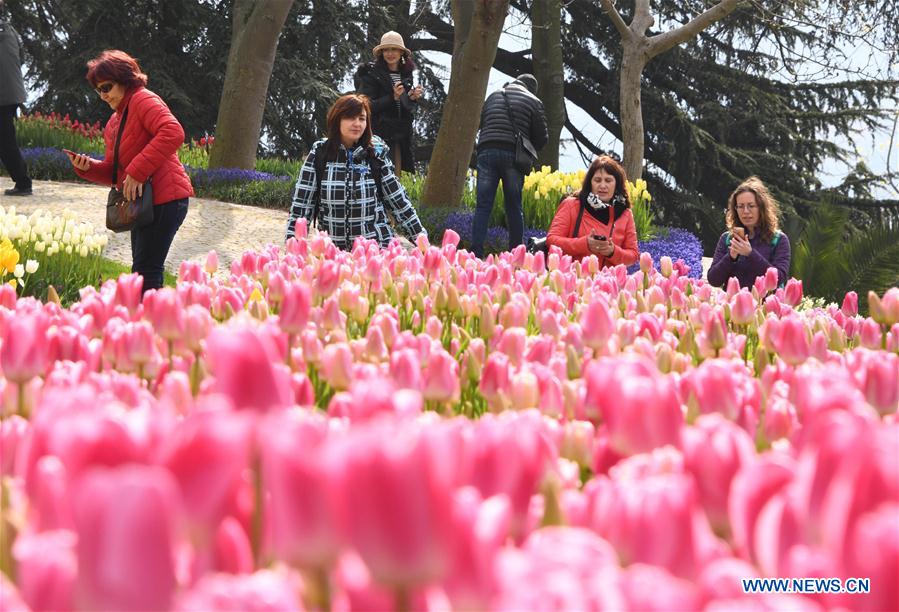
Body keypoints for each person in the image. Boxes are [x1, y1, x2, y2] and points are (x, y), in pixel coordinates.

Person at [65, 50, 193, 293]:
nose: (103, 95)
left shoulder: (143, 99)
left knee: (146, 272)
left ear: (124, 79)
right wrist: (87, 168)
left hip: (166, 198)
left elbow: (173, 132)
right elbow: (116, 173)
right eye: (98, 90)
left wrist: (137, 171)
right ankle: (154, 324)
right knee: (143, 270)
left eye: (106, 87)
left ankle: (152, 327)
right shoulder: (115, 120)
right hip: (144, 202)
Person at [285, 93, 427, 251]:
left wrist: (424, 245)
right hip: (334, 255)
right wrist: (293, 249)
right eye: (350, 117)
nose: (357, 124)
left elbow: (399, 203)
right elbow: (301, 207)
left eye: (362, 118)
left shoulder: (375, 155)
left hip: (376, 252)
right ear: (337, 119)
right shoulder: (320, 154)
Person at [471, 74, 548, 258]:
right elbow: (542, 138)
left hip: (486, 150)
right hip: (513, 155)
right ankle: (516, 255)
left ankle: (475, 254)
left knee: (483, 206)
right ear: (531, 88)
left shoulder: (494, 96)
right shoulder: (533, 101)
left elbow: (482, 123)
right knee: (514, 205)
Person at [546, 155, 639, 266]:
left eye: (608, 180)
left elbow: (633, 255)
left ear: (616, 184)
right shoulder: (571, 205)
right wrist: (584, 244)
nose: (602, 185)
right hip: (572, 278)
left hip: (608, 281)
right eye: (597, 180)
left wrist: (613, 252)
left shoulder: (625, 213)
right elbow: (551, 240)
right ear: (590, 183)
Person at [355, 31, 422, 174]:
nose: (390, 53)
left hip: (398, 135)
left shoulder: (406, 75)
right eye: (386, 49)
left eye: (394, 49)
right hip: (375, 135)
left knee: (394, 177)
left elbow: (405, 109)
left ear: (401, 53)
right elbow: (364, 106)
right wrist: (393, 97)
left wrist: (411, 98)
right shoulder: (370, 73)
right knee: (375, 176)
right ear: (381, 53)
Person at [707, 176, 791, 289]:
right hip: (733, 304)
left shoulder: (779, 239)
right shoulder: (727, 239)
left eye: (751, 206)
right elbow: (713, 280)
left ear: (761, 208)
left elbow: (779, 278)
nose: (745, 211)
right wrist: (731, 257)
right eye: (740, 206)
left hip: (765, 306)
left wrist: (750, 254)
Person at [0, 0, 32, 196]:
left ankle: (23, 182)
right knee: (5, 139)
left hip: (3, 95)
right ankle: (22, 181)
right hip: (10, 94)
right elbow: (21, 59)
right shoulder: (9, 30)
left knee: (5, 141)